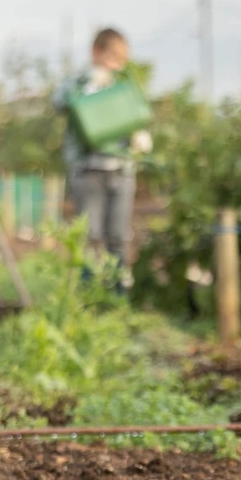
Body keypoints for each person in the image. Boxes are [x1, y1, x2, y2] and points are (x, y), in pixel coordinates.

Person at [54, 28, 153, 293]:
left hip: (121, 169)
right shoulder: (78, 83)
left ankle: (118, 295)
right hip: (88, 171)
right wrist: (89, 84)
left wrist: (139, 133)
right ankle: (89, 295)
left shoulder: (124, 85)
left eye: (122, 58)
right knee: (90, 235)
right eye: (113, 56)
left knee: (118, 236)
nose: (118, 63)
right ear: (96, 52)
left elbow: (139, 114)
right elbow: (59, 101)